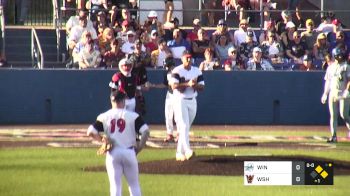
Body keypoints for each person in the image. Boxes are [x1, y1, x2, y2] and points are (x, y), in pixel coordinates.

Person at [87, 90, 149, 196]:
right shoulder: (132, 116)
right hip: (129, 152)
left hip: (113, 153)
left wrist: (101, 139)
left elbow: (90, 132)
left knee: (115, 186)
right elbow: (146, 131)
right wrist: (139, 148)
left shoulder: (104, 116)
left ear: (112, 101)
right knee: (134, 185)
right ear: (123, 101)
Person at [170, 50, 205, 161]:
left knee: (185, 128)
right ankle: (188, 150)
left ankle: (179, 152)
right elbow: (174, 86)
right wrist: (187, 84)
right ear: (182, 59)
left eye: (190, 58)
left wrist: (194, 85)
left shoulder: (196, 71)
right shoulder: (177, 70)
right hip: (180, 100)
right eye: (186, 58)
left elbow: (202, 87)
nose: (189, 60)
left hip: (192, 99)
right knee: (184, 126)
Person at [321, 48, 350, 142]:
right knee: (333, 115)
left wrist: (347, 90)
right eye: (339, 54)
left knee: (344, 114)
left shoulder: (346, 66)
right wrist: (325, 93)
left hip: (343, 92)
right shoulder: (331, 67)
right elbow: (328, 81)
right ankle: (333, 136)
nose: (340, 56)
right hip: (333, 92)